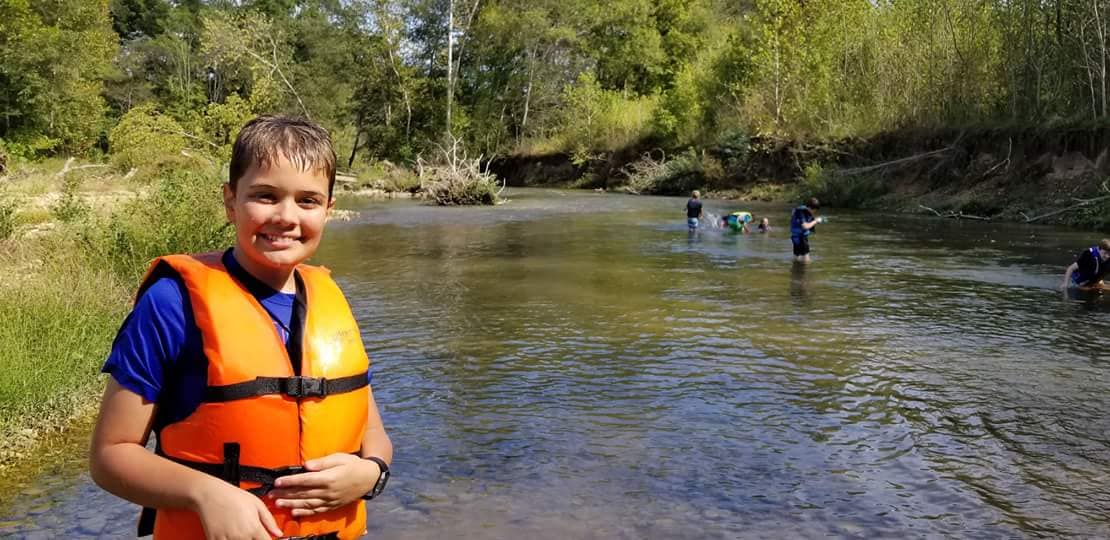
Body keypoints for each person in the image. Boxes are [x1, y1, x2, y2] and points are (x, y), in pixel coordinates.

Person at [89, 116, 392, 540]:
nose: (286, 217)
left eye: (307, 201)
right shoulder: (171, 304)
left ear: (328, 210)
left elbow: (373, 432)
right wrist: (204, 494)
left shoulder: (329, 298)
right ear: (231, 201)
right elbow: (109, 456)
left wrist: (371, 472)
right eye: (265, 196)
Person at [790, 197, 826, 263]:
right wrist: (816, 221)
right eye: (814, 210)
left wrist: (816, 220)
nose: (814, 212)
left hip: (796, 237)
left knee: (796, 257)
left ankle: (795, 269)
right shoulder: (801, 212)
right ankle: (805, 269)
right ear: (809, 207)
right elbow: (805, 226)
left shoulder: (801, 210)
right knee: (806, 260)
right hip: (801, 238)